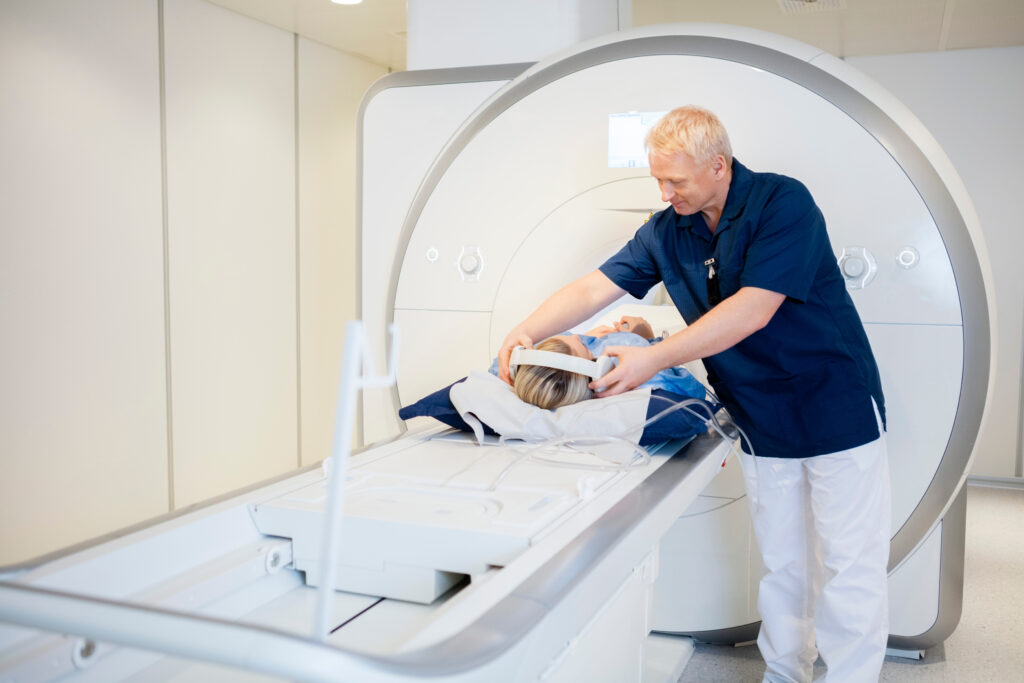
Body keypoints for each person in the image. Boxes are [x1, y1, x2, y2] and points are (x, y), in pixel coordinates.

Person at [497, 106, 890, 683]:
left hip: (834, 402)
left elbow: (754, 309)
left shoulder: (784, 203)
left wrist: (653, 356)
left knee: (848, 563)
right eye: (658, 179)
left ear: (719, 166)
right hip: (760, 415)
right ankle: (785, 674)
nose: (665, 191)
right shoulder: (667, 230)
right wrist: (525, 329)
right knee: (784, 564)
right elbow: (594, 286)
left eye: (675, 181)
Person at [490, 315, 704, 409]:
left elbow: (499, 364)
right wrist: (647, 337)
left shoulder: (523, 368)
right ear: (597, 369)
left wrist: (586, 334)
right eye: (583, 344)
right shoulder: (624, 355)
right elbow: (693, 391)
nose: (580, 337)